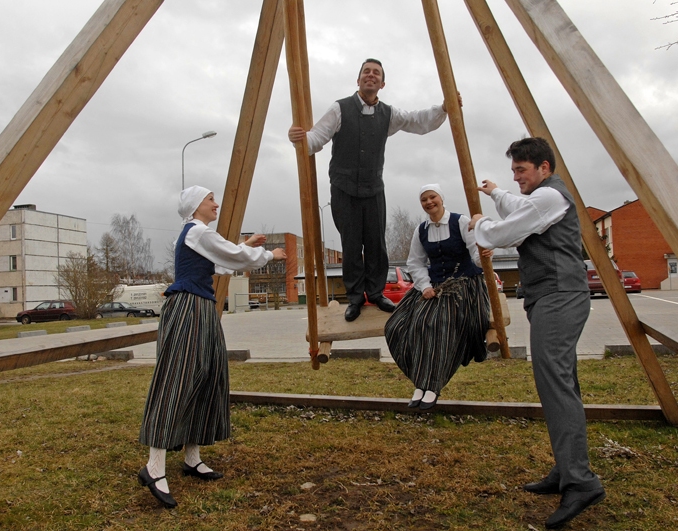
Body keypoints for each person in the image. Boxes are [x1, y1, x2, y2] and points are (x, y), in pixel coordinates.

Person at [469, 137, 605, 529]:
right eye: (513, 171)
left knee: (555, 382)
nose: (517, 177)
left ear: (544, 168)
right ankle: (567, 470)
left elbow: (504, 233)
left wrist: (482, 224)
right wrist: (496, 192)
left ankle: (581, 482)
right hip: (550, 296)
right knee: (559, 382)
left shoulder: (550, 198)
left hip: (560, 295)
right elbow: (517, 205)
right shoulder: (540, 196)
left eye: (521, 171)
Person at [137, 185, 286, 509]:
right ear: (195, 206)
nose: (215, 204)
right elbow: (231, 257)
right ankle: (154, 466)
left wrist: (244, 245)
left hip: (202, 307)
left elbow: (219, 263)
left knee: (207, 376)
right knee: (178, 379)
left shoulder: (199, 236)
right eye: (210, 200)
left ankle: (192, 458)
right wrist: (268, 255)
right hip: (189, 307)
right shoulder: (197, 231)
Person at [289, 58, 450, 322]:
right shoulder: (339, 108)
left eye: (376, 73)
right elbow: (315, 139)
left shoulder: (388, 114)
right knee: (351, 245)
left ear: (382, 83)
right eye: (366, 72)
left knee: (376, 244)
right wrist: (299, 138)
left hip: (374, 188)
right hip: (343, 188)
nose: (370, 76)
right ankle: (355, 298)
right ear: (358, 79)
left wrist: (444, 108)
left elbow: (417, 121)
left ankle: (376, 293)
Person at [384, 184, 491, 411]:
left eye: (432, 197)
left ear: (441, 198)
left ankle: (431, 386)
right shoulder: (421, 229)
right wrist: (423, 286)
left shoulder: (460, 222)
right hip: (432, 286)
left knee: (436, 324)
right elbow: (415, 262)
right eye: (424, 199)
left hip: (463, 286)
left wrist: (485, 256)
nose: (429, 202)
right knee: (397, 325)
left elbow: (476, 252)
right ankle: (420, 382)